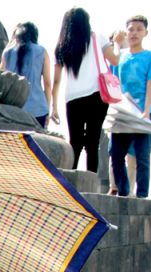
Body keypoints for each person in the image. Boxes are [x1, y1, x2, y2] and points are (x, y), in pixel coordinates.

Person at [106, 14, 151, 198]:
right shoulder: (120, 58)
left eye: (139, 29)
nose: (134, 33)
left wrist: (146, 111)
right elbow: (112, 83)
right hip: (122, 112)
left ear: (146, 32)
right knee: (116, 155)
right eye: (131, 29)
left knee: (142, 157)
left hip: (142, 111)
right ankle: (123, 191)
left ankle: (142, 195)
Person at [51, 7, 109, 173]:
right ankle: (91, 182)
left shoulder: (62, 46)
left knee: (75, 142)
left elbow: (56, 81)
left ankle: (70, 183)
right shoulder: (99, 38)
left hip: (73, 98)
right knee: (93, 142)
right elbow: (114, 59)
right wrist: (117, 43)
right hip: (96, 96)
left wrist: (54, 106)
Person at [1, 22, 53, 128]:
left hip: (13, 109)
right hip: (38, 109)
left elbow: (1, 80)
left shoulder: (7, 53)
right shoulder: (42, 51)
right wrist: (47, 110)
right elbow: (47, 84)